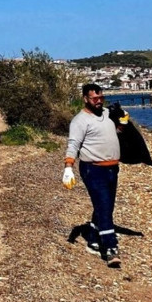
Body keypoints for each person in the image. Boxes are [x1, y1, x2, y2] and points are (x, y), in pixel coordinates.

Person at [62, 83, 123, 268]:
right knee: (104, 206)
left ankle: (93, 241)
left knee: (105, 206)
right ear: (85, 99)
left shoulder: (106, 114)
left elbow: (116, 133)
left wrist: (123, 124)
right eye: (94, 99)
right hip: (93, 169)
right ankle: (110, 249)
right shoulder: (79, 121)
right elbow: (73, 144)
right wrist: (68, 167)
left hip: (112, 168)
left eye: (101, 98)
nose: (98, 102)